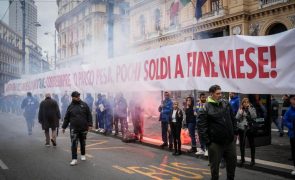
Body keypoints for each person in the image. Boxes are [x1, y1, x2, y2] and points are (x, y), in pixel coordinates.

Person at [198, 85, 238, 180]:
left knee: (232, 166)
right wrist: (208, 142)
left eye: (220, 93)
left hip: (229, 141)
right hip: (215, 144)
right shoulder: (205, 107)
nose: (220, 95)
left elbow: (233, 118)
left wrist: (234, 132)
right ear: (211, 94)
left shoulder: (226, 103)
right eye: (217, 93)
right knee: (214, 169)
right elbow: (201, 127)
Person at [62, 91, 93, 166]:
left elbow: (89, 115)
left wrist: (90, 125)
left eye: (79, 96)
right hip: (74, 128)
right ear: (72, 97)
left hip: (83, 127)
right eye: (76, 96)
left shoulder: (84, 105)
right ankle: (74, 159)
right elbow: (66, 118)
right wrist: (64, 127)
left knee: (83, 142)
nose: (78, 97)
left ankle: (83, 154)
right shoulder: (70, 106)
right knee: (74, 143)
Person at [236, 98, 257, 167]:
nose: (246, 103)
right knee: (242, 144)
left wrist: (249, 108)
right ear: (242, 103)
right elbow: (237, 118)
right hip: (242, 128)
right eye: (244, 102)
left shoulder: (252, 108)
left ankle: (253, 160)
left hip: (249, 128)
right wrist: (240, 112)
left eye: (247, 102)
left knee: (252, 144)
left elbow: (254, 116)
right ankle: (242, 159)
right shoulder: (240, 109)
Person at [283, 95, 295, 175]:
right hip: (293, 134)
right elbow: (285, 120)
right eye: (294, 99)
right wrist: (292, 126)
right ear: (290, 100)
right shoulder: (289, 110)